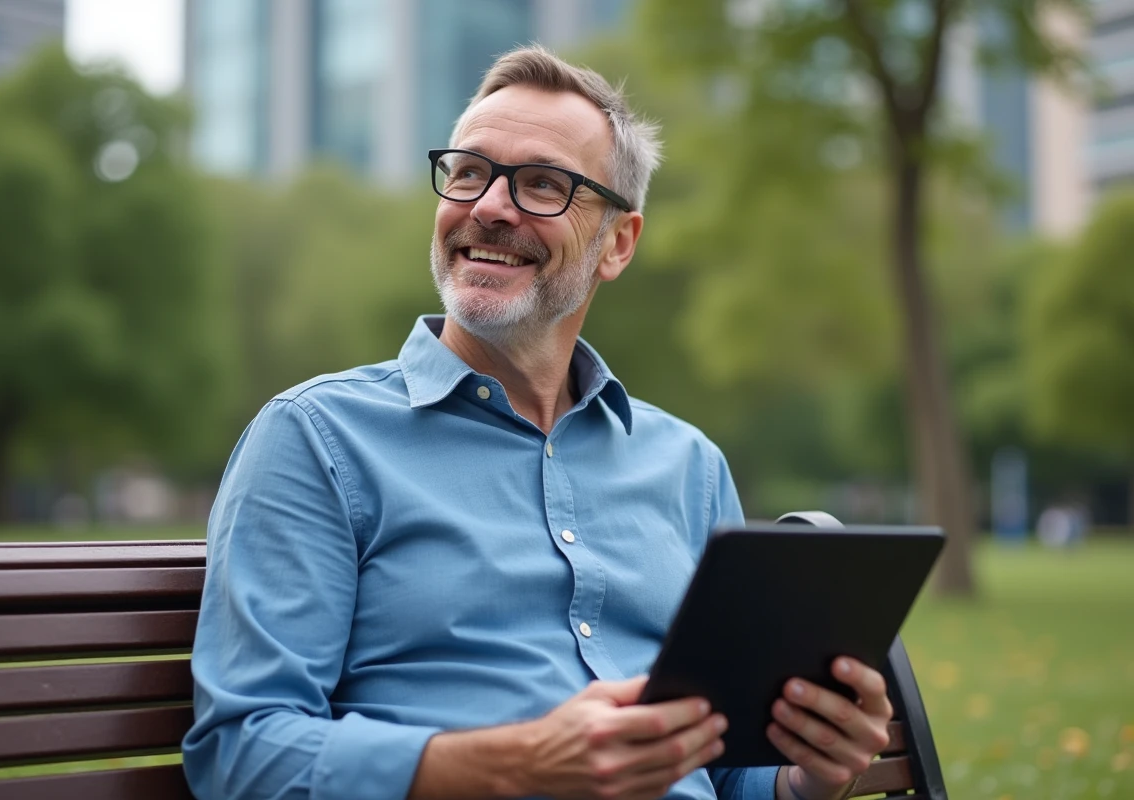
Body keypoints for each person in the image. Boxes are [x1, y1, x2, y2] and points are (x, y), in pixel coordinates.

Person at [182, 46, 894, 800]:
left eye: (542, 184)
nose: (489, 205)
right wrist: (519, 764)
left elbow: (723, 772)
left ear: (617, 244)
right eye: (468, 172)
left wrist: (809, 775)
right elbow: (242, 755)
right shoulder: (316, 439)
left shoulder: (689, 467)